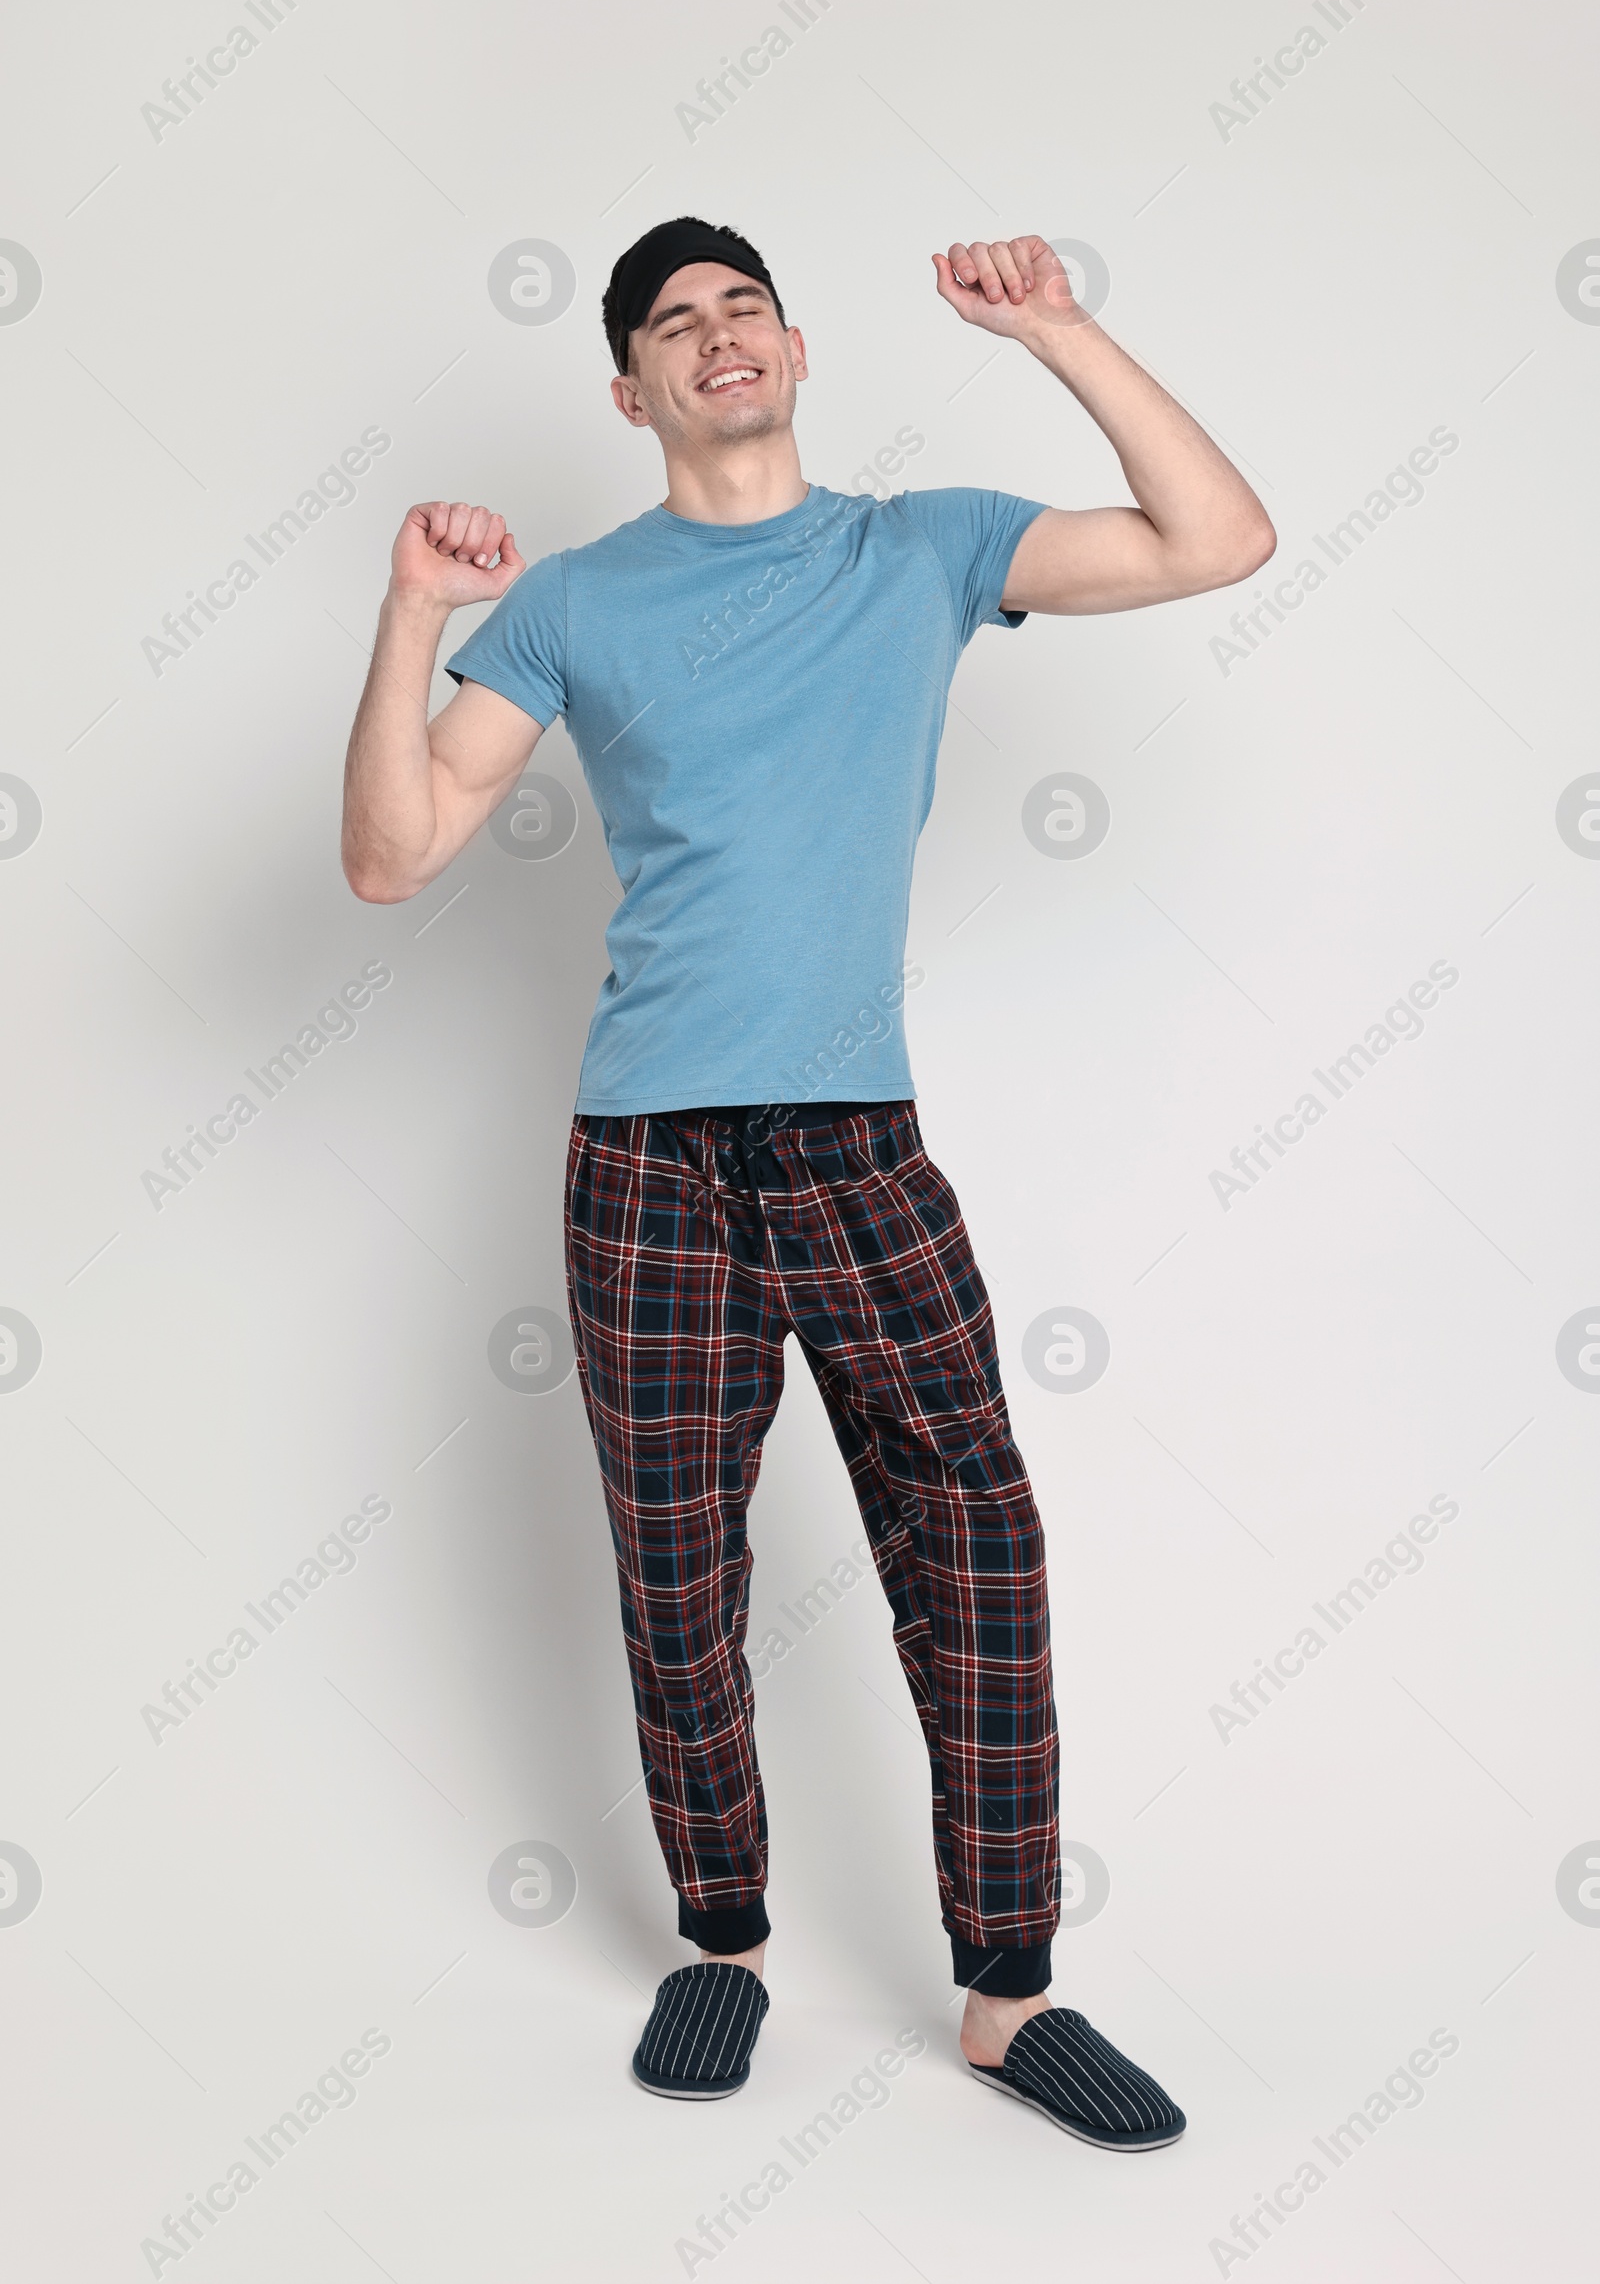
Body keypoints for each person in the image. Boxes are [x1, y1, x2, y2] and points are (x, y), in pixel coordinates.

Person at [341, 216, 1272, 2148]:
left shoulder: (916, 546)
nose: (716, 336)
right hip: (649, 1163)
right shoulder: (578, 603)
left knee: (979, 1549)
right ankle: (726, 1945)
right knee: (680, 1570)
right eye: (674, 325)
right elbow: (392, 852)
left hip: (858, 1145)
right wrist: (414, 615)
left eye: (743, 306)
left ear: (793, 347)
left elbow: (1217, 541)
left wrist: (1063, 334)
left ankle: (1010, 1998)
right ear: (632, 391)